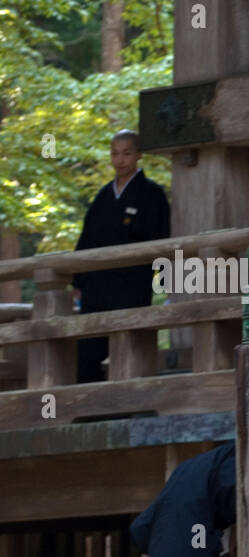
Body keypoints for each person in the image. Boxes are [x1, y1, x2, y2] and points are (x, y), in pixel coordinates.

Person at [72, 129, 171, 383]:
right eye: (115, 153)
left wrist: (167, 281)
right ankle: (89, 410)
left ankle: (129, 411)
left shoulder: (152, 194)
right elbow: (86, 240)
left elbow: (162, 241)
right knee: (88, 351)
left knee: (128, 347)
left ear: (138, 154)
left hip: (132, 283)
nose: (120, 159)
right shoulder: (103, 197)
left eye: (126, 153)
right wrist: (78, 282)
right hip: (97, 286)